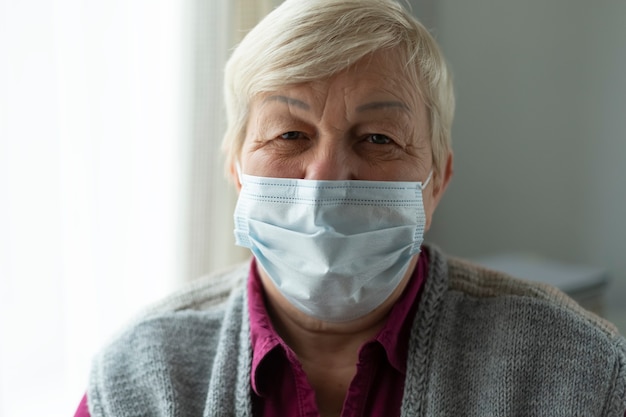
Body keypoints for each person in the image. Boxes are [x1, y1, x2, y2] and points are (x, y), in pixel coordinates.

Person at [75, 0, 626, 416]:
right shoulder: (138, 379)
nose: (327, 178)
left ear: (438, 181)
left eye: (379, 138)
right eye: (289, 134)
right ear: (235, 170)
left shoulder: (582, 372)